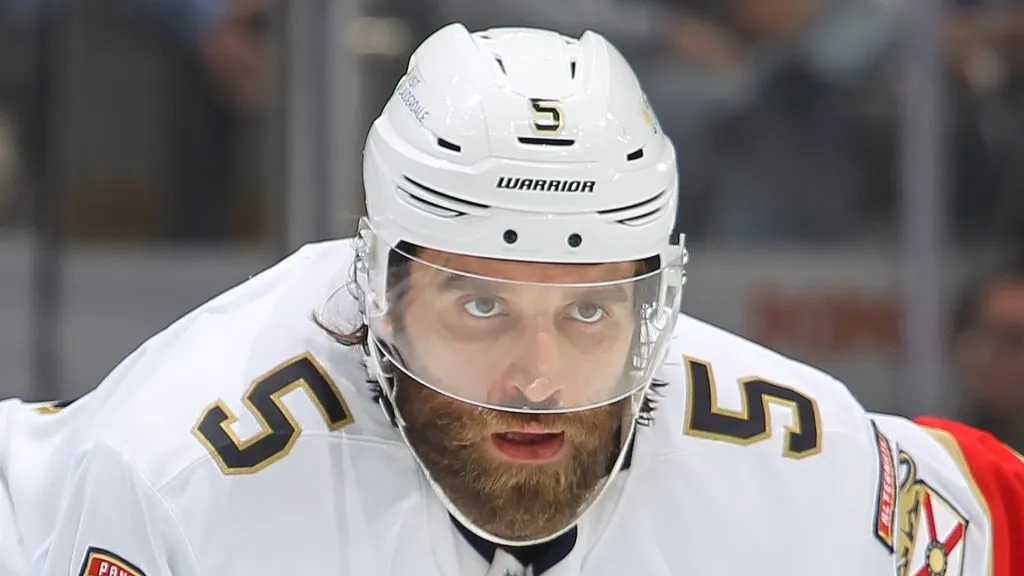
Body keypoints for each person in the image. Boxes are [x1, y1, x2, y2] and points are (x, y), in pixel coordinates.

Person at [2, 22, 1022, 576]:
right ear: (382, 296)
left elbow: (994, 515)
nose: (537, 381)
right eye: (480, 308)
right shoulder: (182, 479)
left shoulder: (795, 456)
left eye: (588, 313)